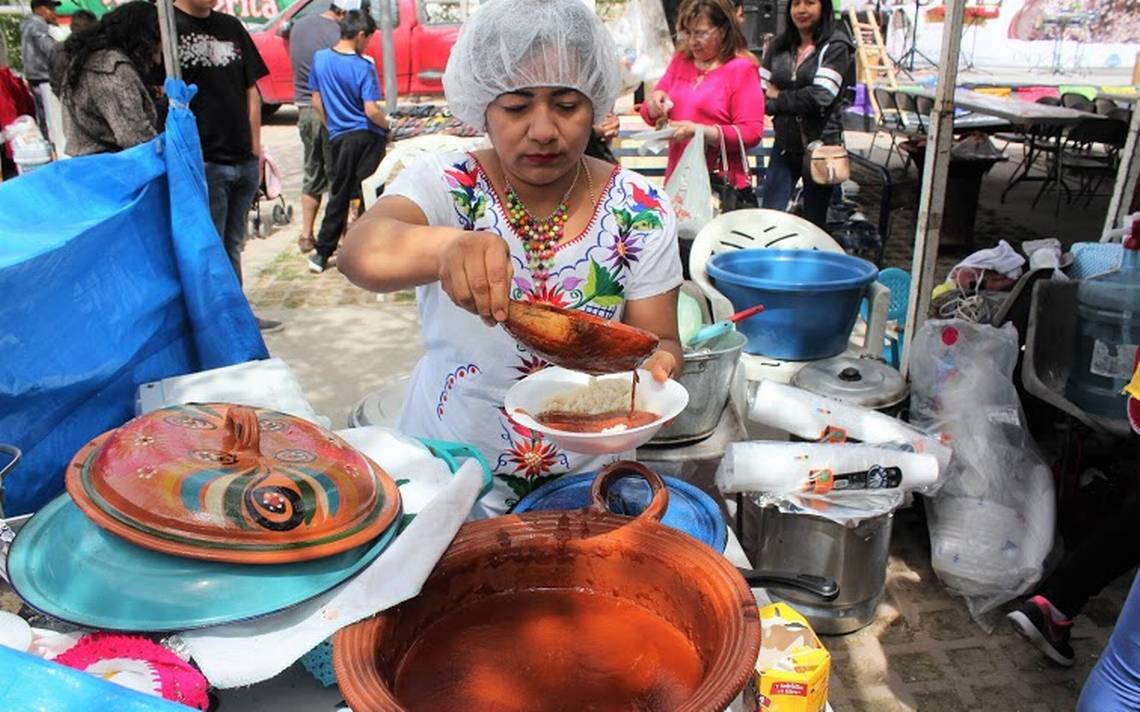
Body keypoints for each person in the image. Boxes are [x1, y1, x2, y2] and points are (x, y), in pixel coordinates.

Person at [337, 0, 683, 516]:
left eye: (567, 105)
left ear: (596, 102)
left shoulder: (641, 210)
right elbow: (360, 252)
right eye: (517, 107)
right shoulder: (447, 185)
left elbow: (662, 341)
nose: (543, 129)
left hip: (584, 483)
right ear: (482, 106)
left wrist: (661, 368)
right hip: (448, 473)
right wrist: (446, 247)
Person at [174, 0, 282, 333]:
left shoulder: (231, 27)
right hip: (204, 162)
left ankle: (236, 317)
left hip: (242, 159)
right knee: (208, 249)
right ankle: (213, 325)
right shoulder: (166, 29)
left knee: (234, 244)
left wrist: (254, 147)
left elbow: (252, 90)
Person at [639, 0, 765, 209]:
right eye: (687, 33)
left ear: (724, 30)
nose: (692, 41)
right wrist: (654, 105)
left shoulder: (742, 69)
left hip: (720, 186)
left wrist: (699, 131)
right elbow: (648, 113)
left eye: (701, 33)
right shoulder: (681, 61)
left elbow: (752, 133)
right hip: (679, 183)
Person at [305, 10, 388, 274]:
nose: (368, 45)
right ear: (361, 35)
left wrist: (333, 127)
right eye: (369, 39)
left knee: (338, 194)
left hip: (339, 137)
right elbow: (371, 110)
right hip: (367, 137)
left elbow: (316, 101)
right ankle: (369, 247)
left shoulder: (320, 59)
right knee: (370, 193)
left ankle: (321, 253)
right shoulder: (364, 67)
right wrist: (390, 125)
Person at [759, 0, 853, 229]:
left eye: (810, 3)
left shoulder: (836, 45)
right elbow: (760, 93)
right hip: (784, 145)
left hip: (821, 150)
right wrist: (783, 100)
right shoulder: (778, 46)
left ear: (824, 8)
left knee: (815, 225)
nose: (801, 10)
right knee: (769, 218)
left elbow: (821, 96)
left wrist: (778, 97)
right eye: (796, 4)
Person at [289, 0, 353, 255]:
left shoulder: (299, 25)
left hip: (304, 110)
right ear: (344, 11)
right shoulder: (338, 34)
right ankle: (342, 237)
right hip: (330, 111)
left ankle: (306, 235)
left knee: (312, 173)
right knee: (339, 176)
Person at [55, 2, 160, 156]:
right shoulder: (111, 68)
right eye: (156, 48)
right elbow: (136, 137)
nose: (157, 60)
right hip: (111, 170)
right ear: (143, 38)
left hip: (90, 167)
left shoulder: (87, 59)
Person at [20, 0, 61, 139]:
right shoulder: (37, 24)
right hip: (43, 78)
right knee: (53, 119)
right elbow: (49, 47)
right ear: (40, 9)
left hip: (34, 77)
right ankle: (55, 146)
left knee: (44, 117)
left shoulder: (27, 23)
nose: (53, 12)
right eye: (50, 8)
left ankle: (50, 142)